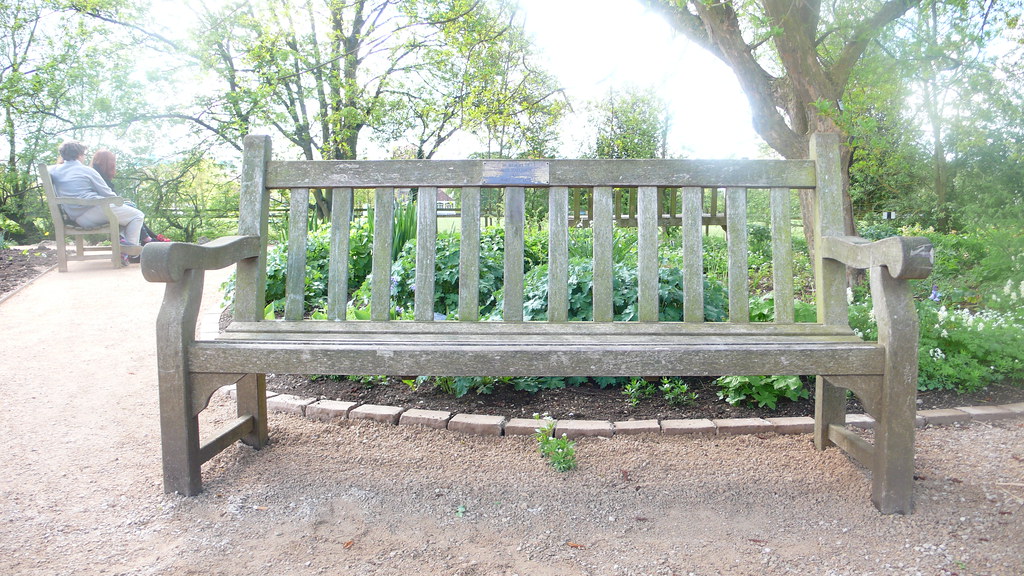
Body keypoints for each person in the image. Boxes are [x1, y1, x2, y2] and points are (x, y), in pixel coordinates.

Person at [49, 141, 145, 249]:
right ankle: (130, 251)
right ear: (79, 155)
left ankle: (124, 246)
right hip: (95, 211)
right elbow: (109, 195)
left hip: (75, 217)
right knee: (137, 215)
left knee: (125, 215)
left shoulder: (53, 170)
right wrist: (120, 201)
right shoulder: (87, 171)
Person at [90, 149, 168, 244]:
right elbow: (110, 197)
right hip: (100, 212)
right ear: (107, 162)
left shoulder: (95, 173)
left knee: (131, 206)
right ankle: (140, 243)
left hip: (97, 210)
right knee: (134, 212)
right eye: (113, 161)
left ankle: (145, 238)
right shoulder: (98, 176)